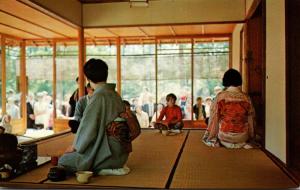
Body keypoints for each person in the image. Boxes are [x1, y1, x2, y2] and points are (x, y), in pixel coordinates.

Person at [58, 58, 130, 176]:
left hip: (109, 155)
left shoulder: (98, 97)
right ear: (105, 75)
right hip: (121, 154)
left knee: (64, 160)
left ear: (88, 78)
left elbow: (89, 129)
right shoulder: (115, 95)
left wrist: (75, 147)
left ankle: (103, 167)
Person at [202, 69, 255, 149]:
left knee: (214, 118)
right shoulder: (246, 97)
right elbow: (251, 119)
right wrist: (251, 136)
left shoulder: (220, 97)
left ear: (225, 80)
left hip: (224, 135)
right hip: (242, 136)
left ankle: (224, 143)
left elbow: (214, 119)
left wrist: (211, 135)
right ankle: (241, 143)